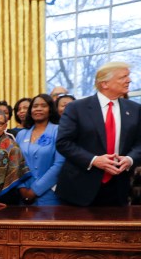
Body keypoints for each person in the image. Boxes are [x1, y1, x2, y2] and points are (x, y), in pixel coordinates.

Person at [57, 62, 141, 206]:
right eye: (123, 77)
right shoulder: (76, 108)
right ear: (105, 83)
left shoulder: (135, 109)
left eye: (128, 76)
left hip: (119, 187)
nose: (129, 80)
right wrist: (94, 160)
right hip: (79, 187)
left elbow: (139, 143)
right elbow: (63, 143)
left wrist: (130, 159)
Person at [16, 93, 64, 205]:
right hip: (23, 195)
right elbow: (15, 164)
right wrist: (22, 188)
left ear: (50, 110)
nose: (38, 109)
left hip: (49, 194)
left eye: (43, 106)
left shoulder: (58, 130)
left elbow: (59, 164)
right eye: (35, 106)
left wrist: (34, 191)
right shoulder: (21, 134)